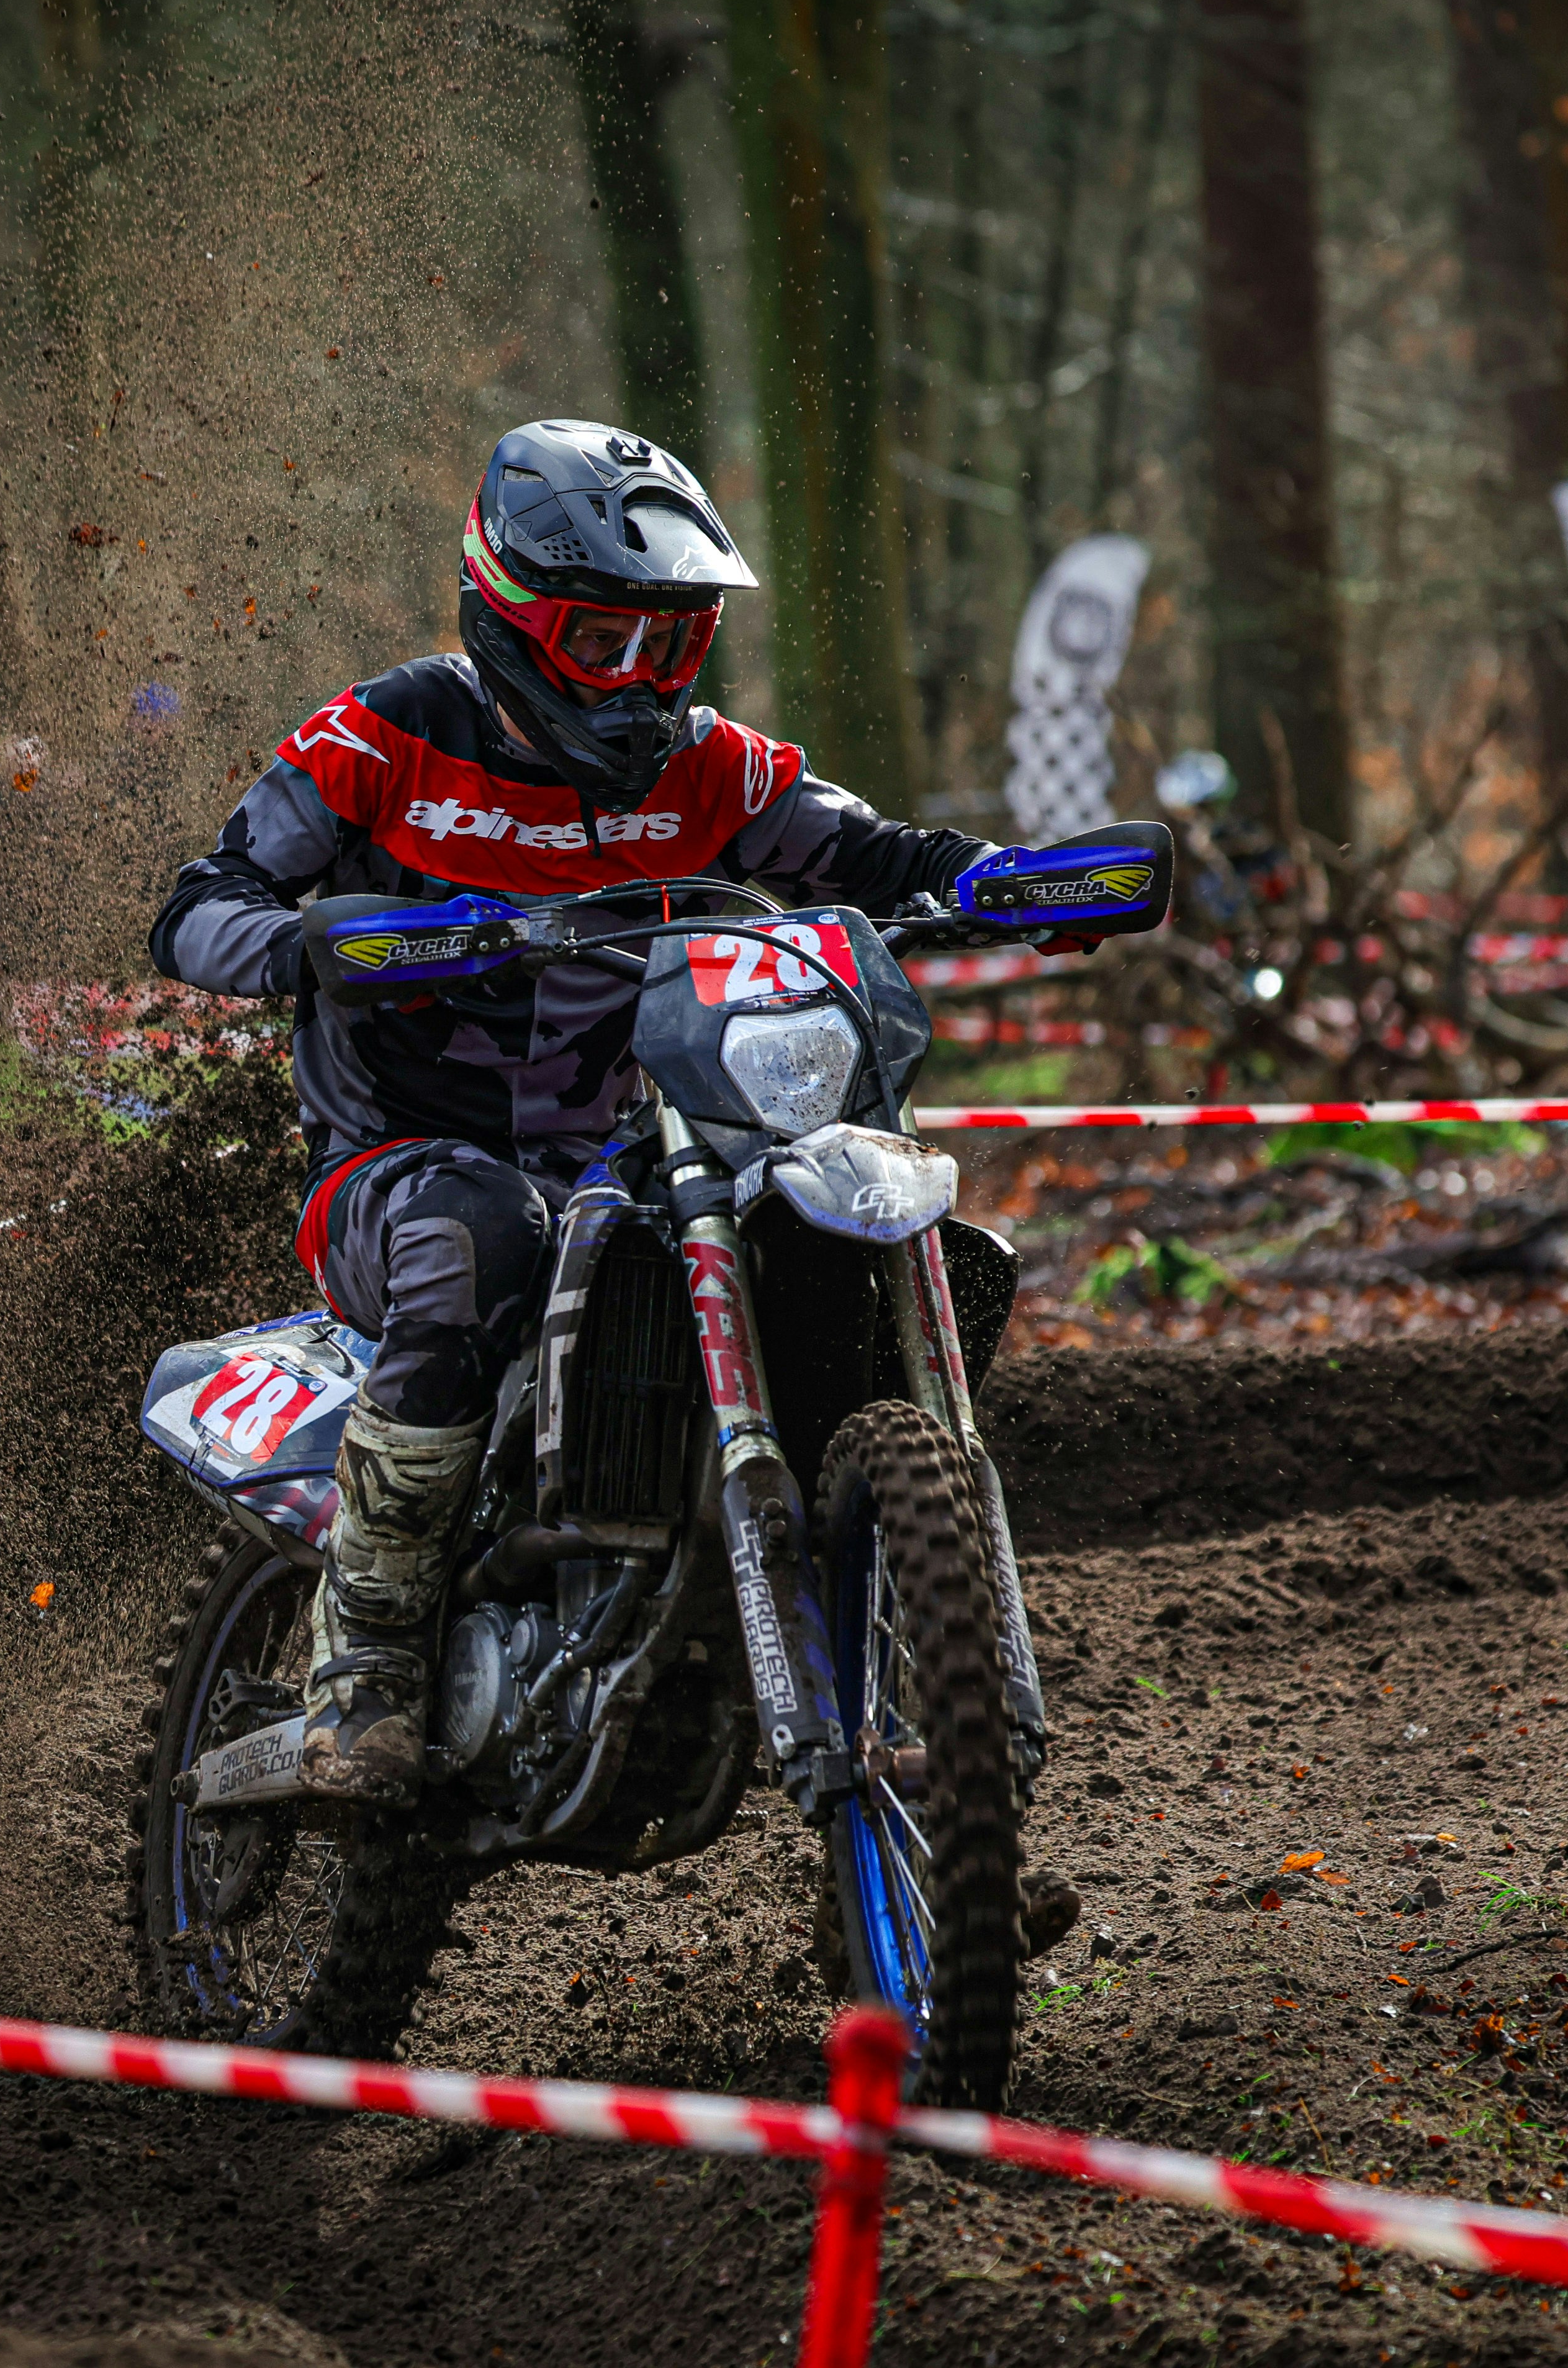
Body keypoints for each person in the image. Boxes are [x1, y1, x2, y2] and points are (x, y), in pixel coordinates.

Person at [152, 420, 999, 1801]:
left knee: (797, 1225)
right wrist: (315, 943)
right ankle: (365, 1664)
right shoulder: (387, 737)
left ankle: (865, 1669)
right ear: (509, 613)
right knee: (477, 1230)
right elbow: (197, 908)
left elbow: (877, 853)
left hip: (627, 1157)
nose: (640, 678)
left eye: (671, 644)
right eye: (604, 640)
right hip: (395, 1168)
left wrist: (1003, 881)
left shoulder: (712, 767)